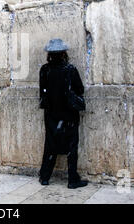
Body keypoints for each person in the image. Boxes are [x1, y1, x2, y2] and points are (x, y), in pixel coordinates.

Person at [38, 38, 88, 189]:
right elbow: (79, 89)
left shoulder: (45, 70)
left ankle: (45, 177)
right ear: (64, 53)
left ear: (50, 54)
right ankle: (72, 179)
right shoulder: (70, 69)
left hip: (51, 114)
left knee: (50, 145)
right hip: (69, 115)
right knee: (72, 146)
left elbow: (43, 93)